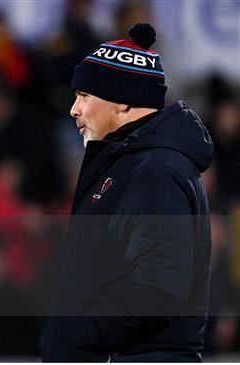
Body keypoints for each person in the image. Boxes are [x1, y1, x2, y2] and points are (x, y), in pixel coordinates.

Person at [41, 23, 213, 362]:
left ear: (122, 102)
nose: (75, 109)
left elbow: (156, 291)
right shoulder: (132, 164)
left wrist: (78, 328)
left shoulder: (155, 173)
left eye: (85, 96)